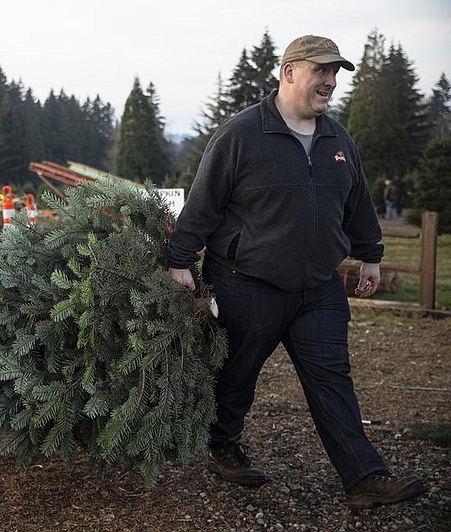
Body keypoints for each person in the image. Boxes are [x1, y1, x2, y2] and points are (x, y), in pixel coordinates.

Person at [166, 35, 426, 510]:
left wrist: (370, 253)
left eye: (335, 73)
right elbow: (203, 204)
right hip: (247, 284)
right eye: (320, 71)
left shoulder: (337, 138)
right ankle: (222, 443)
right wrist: (179, 260)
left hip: (318, 288)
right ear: (289, 73)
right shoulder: (242, 134)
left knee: (333, 378)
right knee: (236, 375)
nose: (330, 82)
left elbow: (358, 202)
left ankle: (364, 476)